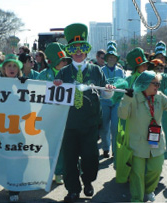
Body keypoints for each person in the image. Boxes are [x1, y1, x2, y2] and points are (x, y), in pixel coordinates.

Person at [54, 23, 114, 202]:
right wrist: (56, 88)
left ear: (86, 51)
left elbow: (105, 94)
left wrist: (109, 88)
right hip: (69, 124)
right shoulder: (63, 72)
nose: (78, 52)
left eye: (82, 48)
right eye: (74, 48)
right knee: (70, 159)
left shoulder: (96, 70)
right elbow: (55, 99)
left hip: (90, 123)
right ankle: (72, 189)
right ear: (70, 51)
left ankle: (88, 181)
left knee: (90, 157)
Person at [118, 68, 167, 202]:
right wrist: (126, 99)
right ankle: (137, 198)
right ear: (145, 83)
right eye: (155, 84)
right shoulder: (132, 96)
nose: (158, 86)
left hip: (156, 142)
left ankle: (148, 190)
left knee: (156, 169)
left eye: (158, 84)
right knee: (137, 174)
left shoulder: (159, 96)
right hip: (138, 143)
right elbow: (122, 115)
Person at [37, 42, 72, 185]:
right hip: (48, 116)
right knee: (48, 145)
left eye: (65, 60)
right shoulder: (43, 75)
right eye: (61, 60)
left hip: (65, 116)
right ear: (53, 62)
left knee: (63, 146)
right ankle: (48, 171)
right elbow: (34, 92)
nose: (64, 63)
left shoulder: (70, 75)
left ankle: (59, 172)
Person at [0, 54, 23, 202]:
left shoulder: (24, 83)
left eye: (15, 66)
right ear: (4, 69)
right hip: (0, 127)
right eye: (9, 66)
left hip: (18, 128)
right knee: (3, 159)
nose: (12, 69)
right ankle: (8, 182)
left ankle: (15, 189)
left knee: (16, 158)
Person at [99, 43, 125, 159]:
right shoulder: (100, 70)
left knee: (115, 127)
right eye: (109, 56)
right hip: (104, 101)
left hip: (116, 102)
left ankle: (115, 150)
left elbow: (124, 84)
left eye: (113, 57)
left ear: (116, 59)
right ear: (106, 58)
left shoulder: (120, 71)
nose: (111, 58)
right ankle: (105, 148)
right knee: (104, 127)